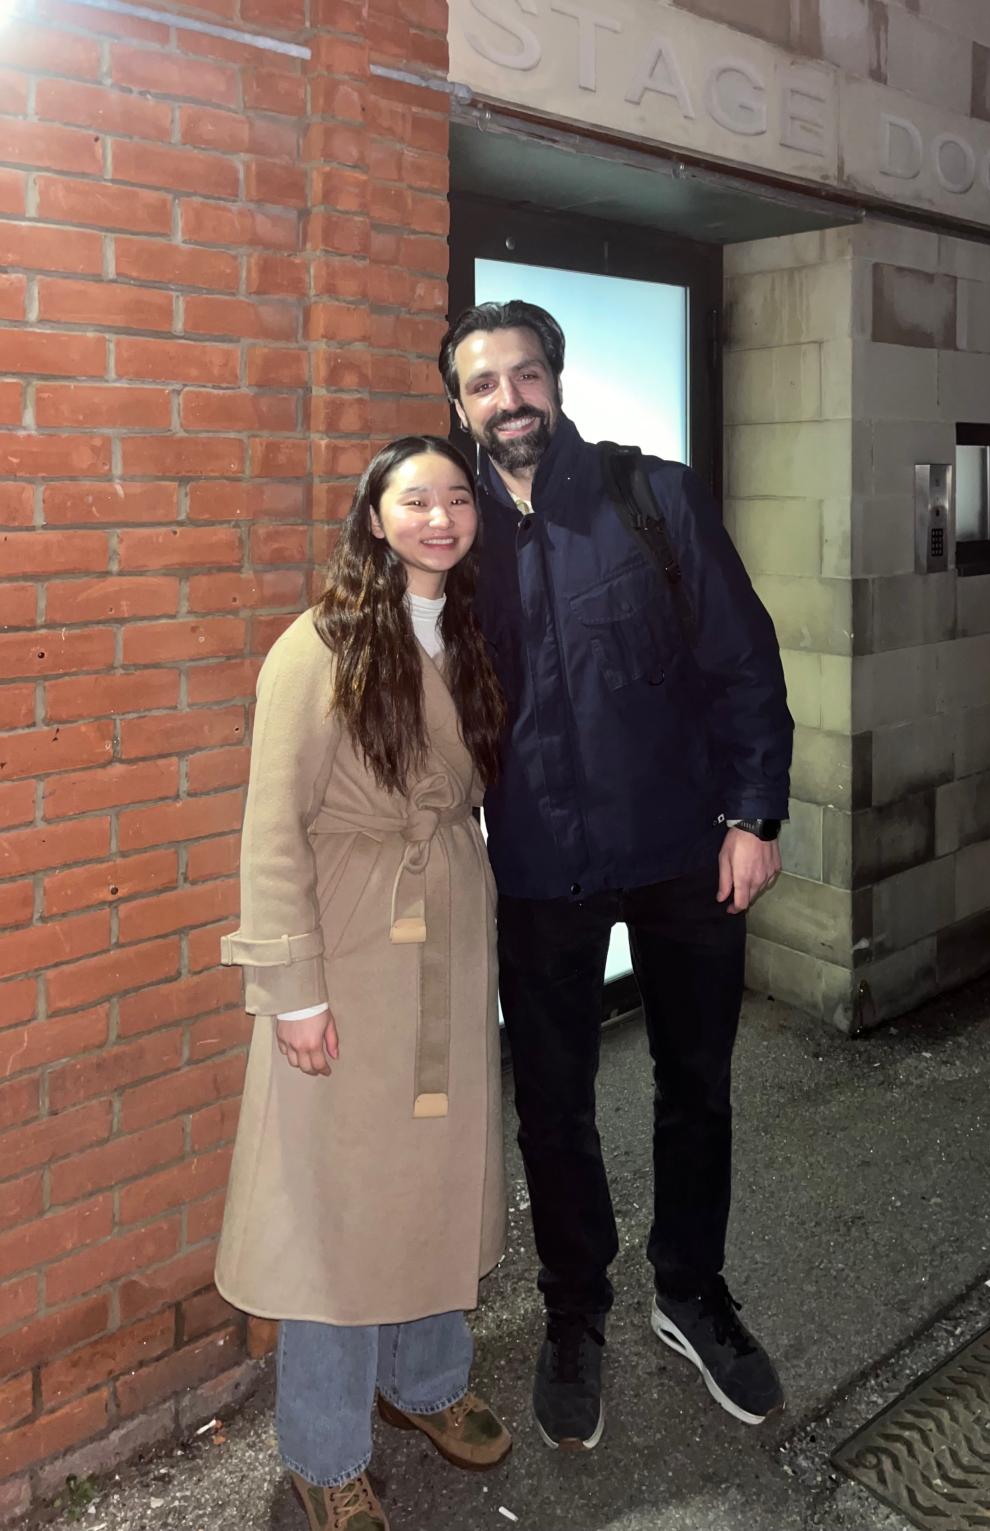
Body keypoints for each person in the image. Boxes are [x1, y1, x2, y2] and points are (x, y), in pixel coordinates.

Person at [438, 300, 795, 1452]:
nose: (508, 401)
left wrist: (753, 813)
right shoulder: (455, 539)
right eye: (483, 384)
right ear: (459, 406)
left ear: (557, 379)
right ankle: (572, 1313)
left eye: (524, 375)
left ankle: (690, 1290)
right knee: (553, 1099)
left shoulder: (656, 498)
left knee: (696, 1083)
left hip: (686, 847)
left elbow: (743, 660)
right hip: (541, 864)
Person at [215, 437, 510, 1531]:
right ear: (374, 518)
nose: (439, 515)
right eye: (414, 499)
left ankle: (426, 1381)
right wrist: (292, 989)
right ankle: (324, 1449)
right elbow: (271, 831)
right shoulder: (318, 644)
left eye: (455, 497)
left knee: (435, 1176)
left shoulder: (466, 632)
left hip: (446, 935)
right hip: (349, 950)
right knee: (335, 1210)